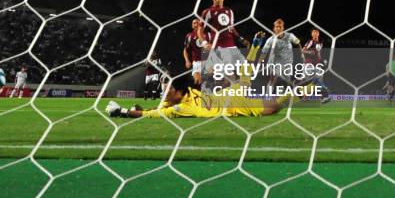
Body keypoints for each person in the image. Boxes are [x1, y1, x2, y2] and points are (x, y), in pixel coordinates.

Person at [105, 75, 313, 118]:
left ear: (179, 92)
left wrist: (124, 112)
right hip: (227, 98)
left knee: (274, 108)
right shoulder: (187, 94)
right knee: (273, 103)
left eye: (168, 92)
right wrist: (133, 110)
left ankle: (304, 91)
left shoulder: (181, 108)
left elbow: (155, 114)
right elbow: (156, 110)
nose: (165, 97)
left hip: (231, 104)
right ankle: (304, 90)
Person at [198, 0, 249, 89]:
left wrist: (241, 39)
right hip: (219, 47)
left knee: (246, 68)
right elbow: (200, 29)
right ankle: (225, 96)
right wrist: (204, 43)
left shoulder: (229, 11)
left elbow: (232, 28)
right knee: (228, 75)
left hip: (232, 46)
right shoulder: (207, 12)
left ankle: (228, 92)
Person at [259, 19, 303, 93]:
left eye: (280, 27)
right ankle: (267, 97)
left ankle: (282, 98)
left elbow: (298, 43)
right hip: (274, 62)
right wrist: (259, 63)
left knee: (287, 82)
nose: (278, 28)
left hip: (287, 63)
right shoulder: (270, 40)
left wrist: (301, 53)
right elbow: (264, 52)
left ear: (283, 28)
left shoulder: (290, 36)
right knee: (273, 78)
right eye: (277, 27)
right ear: (274, 29)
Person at [302, 28, 330, 104]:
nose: (315, 34)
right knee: (308, 81)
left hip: (317, 65)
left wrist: (323, 61)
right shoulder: (310, 42)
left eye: (316, 32)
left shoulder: (320, 44)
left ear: (318, 34)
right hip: (309, 65)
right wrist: (309, 52)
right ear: (311, 34)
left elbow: (319, 55)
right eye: (313, 32)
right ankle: (306, 96)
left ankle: (324, 97)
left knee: (319, 81)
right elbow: (303, 50)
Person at [183, 19, 208, 88]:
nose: (196, 24)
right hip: (196, 62)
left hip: (207, 61)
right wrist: (187, 61)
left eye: (197, 23)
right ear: (192, 26)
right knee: (197, 82)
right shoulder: (189, 36)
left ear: (200, 24)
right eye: (194, 23)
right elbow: (185, 50)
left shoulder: (207, 34)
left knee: (207, 83)